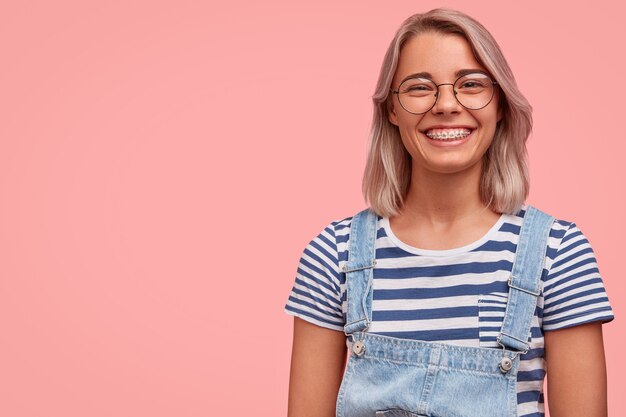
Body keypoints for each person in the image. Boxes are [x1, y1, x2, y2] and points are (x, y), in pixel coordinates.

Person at [284, 8, 614, 417]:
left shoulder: (558, 252)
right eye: (420, 87)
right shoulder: (333, 254)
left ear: (501, 105)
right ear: (392, 108)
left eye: (470, 84)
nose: (446, 105)